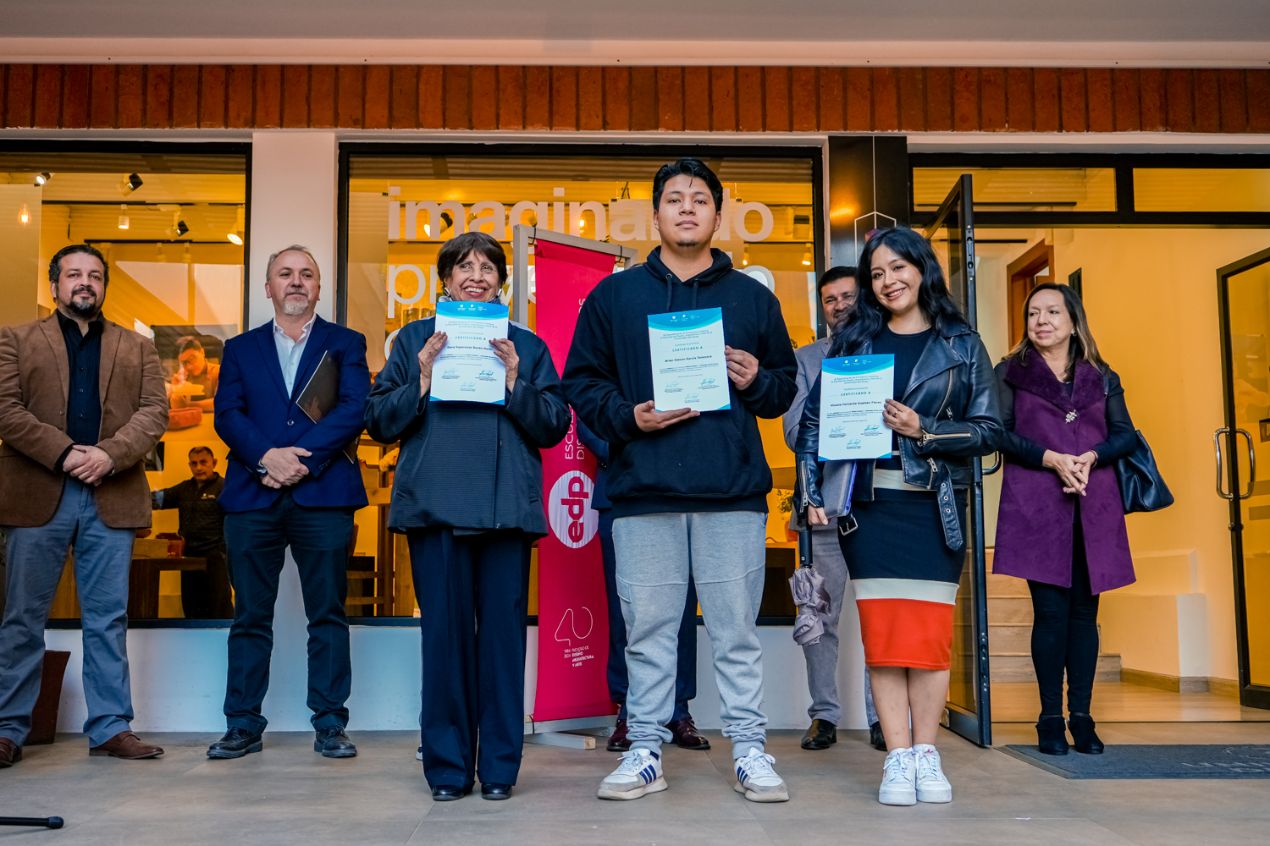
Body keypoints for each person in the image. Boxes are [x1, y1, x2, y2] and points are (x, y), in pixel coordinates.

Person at [563, 158, 798, 803]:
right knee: (647, 635)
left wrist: (758, 379)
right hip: (644, 495)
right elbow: (582, 382)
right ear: (656, 214)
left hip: (732, 495)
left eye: (699, 199)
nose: (687, 208)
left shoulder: (753, 298)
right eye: (674, 198)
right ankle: (645, 749)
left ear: (717, 215)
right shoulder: (615, 297)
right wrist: (628, 417)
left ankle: (749, 750)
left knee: (736, 635)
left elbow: (784, 388)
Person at [795, 227, 1001, 806]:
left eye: (898, 268)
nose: (888, 281)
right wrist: (810, 491)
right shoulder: (854, 342)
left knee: (929, 639)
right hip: (870, 510)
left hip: (935, 508)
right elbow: (812, 425)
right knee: (884, 639)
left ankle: (927, 753)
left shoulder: (962, 344)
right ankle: (898, 756)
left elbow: (990, 430)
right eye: (877, 273)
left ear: (922, 268)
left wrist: (924, 429)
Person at [366, 232, 570, 801]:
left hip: (506, 512)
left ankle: (500, 769)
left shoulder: (526, 345)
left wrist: (515, 382)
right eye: (464, 267)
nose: (476, 276)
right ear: (445, 280)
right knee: (444, 644)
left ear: (501, 281)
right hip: (436, 508)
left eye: (487, 267)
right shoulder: (413, 341)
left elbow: (554, 425)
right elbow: (378, 421)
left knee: (502, 645)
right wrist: (420, 380)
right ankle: (448, 770)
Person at [0, 243, 169, 767]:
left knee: (107, 618)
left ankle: (111, 727)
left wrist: (109, 455)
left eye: (94, 276)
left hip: (110, 492)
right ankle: (7, 729)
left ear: (103, 286)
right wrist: (65, 452)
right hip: (37, 494)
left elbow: (154, 412)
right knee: (22, 617)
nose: (85, 283)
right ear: (54, 285)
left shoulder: (137, 347)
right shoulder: (15, 340)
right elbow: (5, 409)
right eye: (74, 274)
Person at [208, 245, 369, 761]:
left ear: (319, 288)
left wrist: (303, 460)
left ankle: (330, 722)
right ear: (269, 287)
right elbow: (227, 414)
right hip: (252, 496)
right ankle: (242, 724)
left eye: (306, 274)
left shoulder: (346, 343)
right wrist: (266, 457)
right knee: (250, 616)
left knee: (328, 614)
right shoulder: (239, 348)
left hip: (324, 494)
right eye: (285, 274)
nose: (296, 281)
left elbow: (354, 408)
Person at [992, 283, 1137, 757]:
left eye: (1053, 312)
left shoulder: (1102, 374)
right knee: (1051, 614)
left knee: (1085, 615)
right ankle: (1050, 718)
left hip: (1094, 503)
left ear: (1073, 321)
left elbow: (1125, 435)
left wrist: (1091, 456)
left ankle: (1083, 717)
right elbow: (999, 433)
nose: (1042, 321)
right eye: (1034, 313)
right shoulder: (1010, 372)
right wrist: (1051, 458)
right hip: (1036, 502)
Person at [780, 266, 883, 753]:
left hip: (882, 507)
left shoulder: (888, 352)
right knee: (818, 617)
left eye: (847, 296)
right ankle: (824, 715)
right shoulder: (806, 360)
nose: (839, 305)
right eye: (829, 299)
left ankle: (884, 717)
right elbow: (793, 431)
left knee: (881, 617)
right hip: (823, 509)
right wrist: (843, 411)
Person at [576, 422, 709, 753]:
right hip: (621, 492)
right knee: (625, 610)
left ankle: (678, 711)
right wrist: (630, 453)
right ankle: (629, 711)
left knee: (682, 611)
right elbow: (588, 417)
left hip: (681, 493)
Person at [151, 445, 231, 619]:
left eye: (203, 462)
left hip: (216, 557)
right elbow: (155, 500)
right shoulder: (184, 489)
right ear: (189, 465)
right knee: (191, 608)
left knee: (219, 609)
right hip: (188, 557)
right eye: (194, 463)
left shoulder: (225, 487)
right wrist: (130, 499)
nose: (199, 467)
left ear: (214, 463)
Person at [172, 336, 220, 411]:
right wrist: (175, 391)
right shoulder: (183, 375)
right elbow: (176, 407)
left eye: (192, 359)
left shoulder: (219, 371)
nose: (189, 367)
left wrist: (188, 405)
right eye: (184, 363)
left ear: (202, 352)